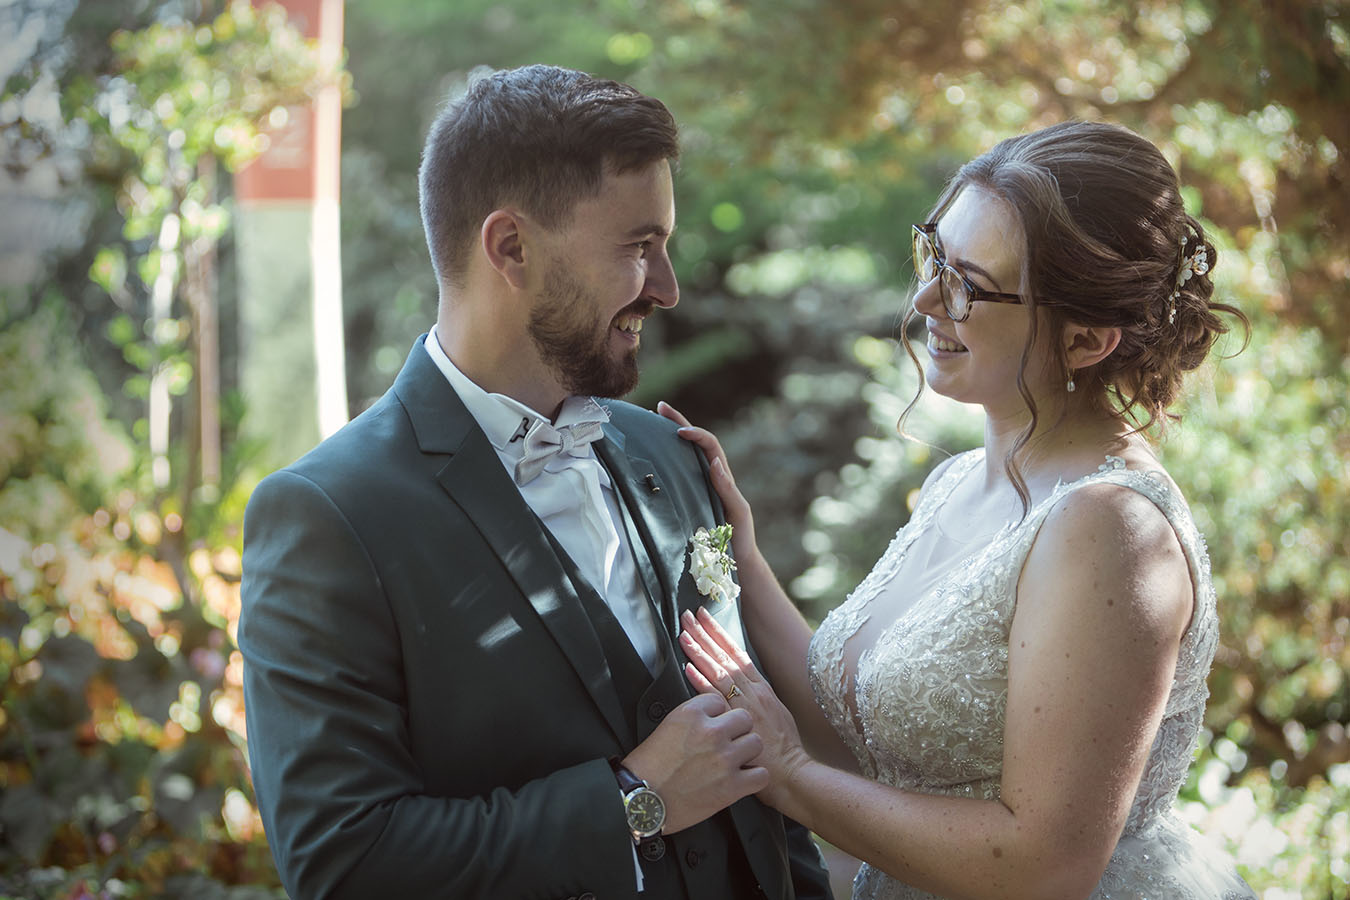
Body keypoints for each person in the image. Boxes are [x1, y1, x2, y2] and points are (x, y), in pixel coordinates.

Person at [238, 65, 833, 900]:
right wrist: (635, 803)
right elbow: (342, 862)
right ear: (511, 247)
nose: (667, 288)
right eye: (638, 247)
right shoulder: (328, 515)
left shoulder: (670, 450)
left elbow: (756, 770)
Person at [664, 121, 1257, 899]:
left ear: (1086, 340)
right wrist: (737, 550)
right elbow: (861, 741)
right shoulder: (956, 482)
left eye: (969, 283)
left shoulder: (1109, 529)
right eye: (933, 254)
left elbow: (1044, 866)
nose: (924, 298)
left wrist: (790, 778)